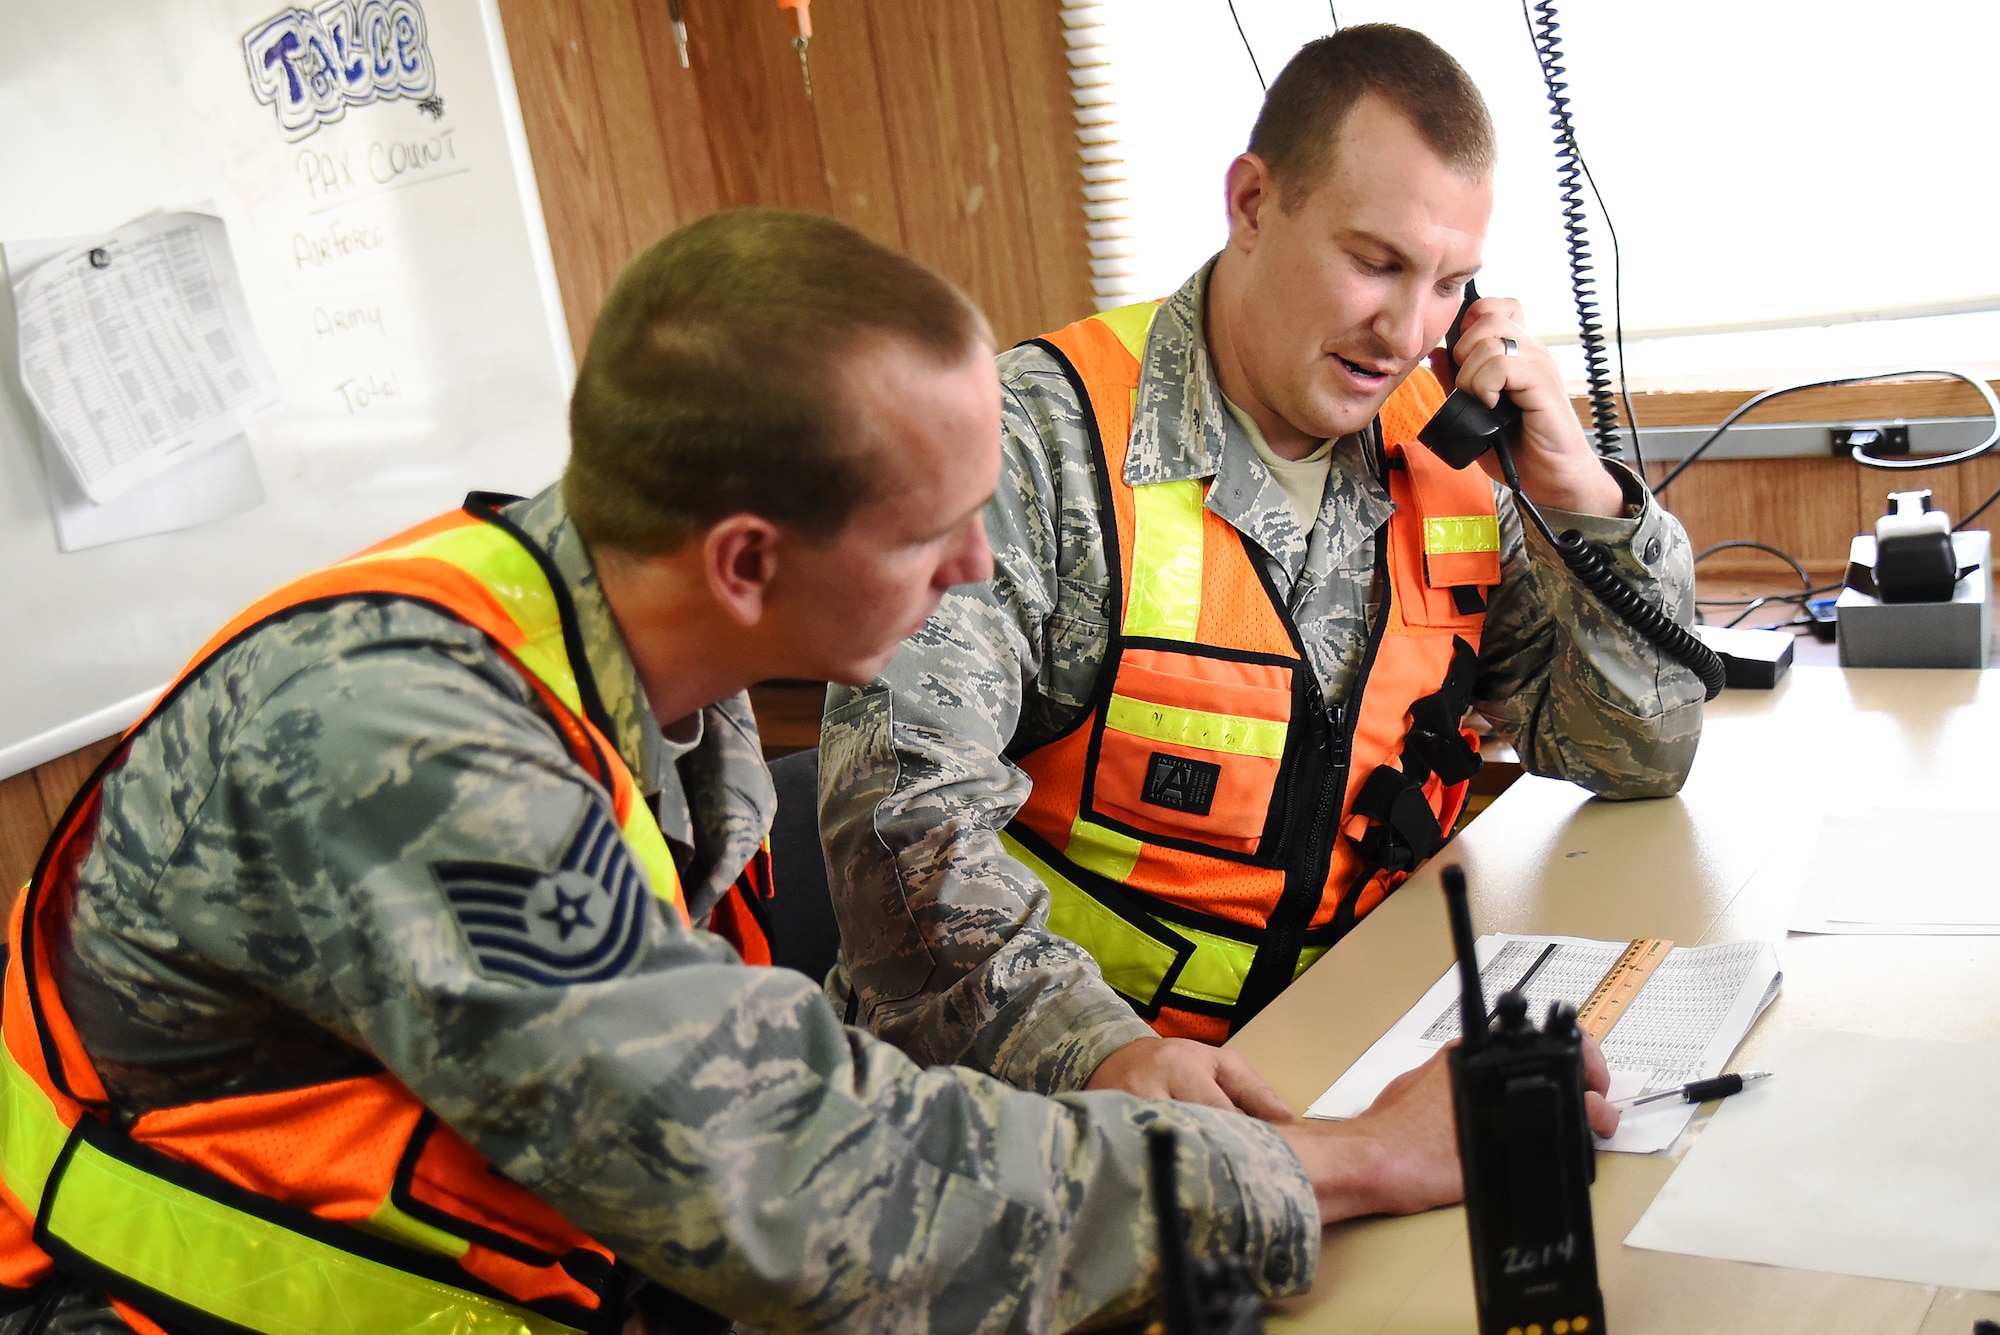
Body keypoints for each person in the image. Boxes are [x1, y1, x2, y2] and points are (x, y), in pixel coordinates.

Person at [0, 208, 1601, 1335]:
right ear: (751, 559)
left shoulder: (630, 662)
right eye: (931, 531)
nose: (982, 568)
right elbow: (804, 1190)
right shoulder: (400, 745)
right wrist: (1344, 1160)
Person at [819, 25, 1696, 1116]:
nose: (1401, 330)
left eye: (1446, 285)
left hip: (1340, 1052)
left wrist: (1579, 495)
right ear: (1248, 204)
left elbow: (1635, 754)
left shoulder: (1445, 448)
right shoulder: (1030, 441)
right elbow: (898, 832)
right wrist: (1105, 1056)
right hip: (1051, 1101)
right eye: (1373, 263)